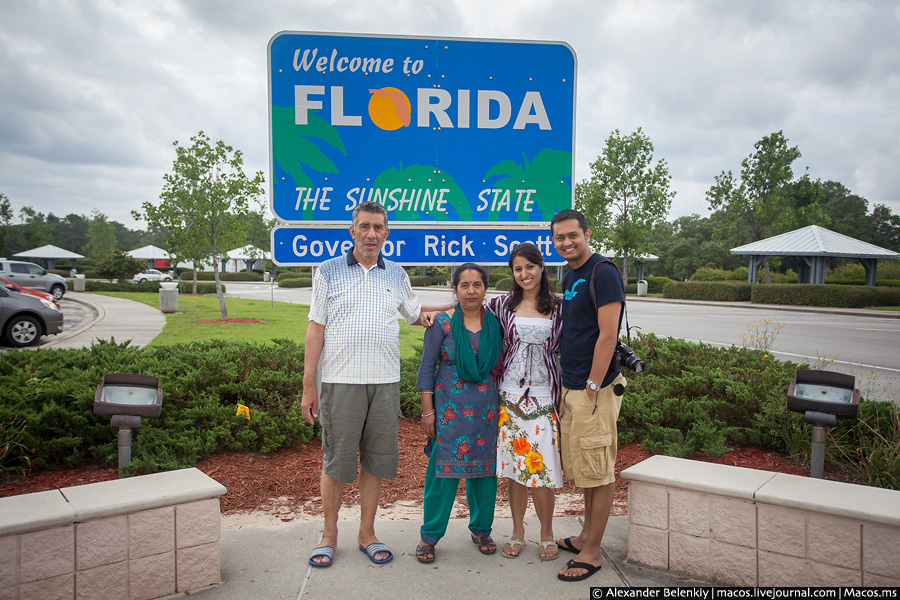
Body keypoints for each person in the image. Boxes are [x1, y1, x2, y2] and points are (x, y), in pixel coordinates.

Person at [301, 201, 445, 568]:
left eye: (378, 227)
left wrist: (462, 304)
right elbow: (315, 328)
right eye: (364, 226)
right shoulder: (328, 271)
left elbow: (416, 315)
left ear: (386, 232)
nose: (371, 234)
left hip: (385, 384)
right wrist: (308, 386)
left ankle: (367, 534)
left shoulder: (396, 274)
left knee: (376, 463)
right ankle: (329, 535)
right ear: (352, 231)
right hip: (339, 382)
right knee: (336, 462)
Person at [550, 209, 627, 583]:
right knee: (586, 468)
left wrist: (594, 388)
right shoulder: (571, 274)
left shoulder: (604, 272)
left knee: (599, 469)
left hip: (594, 388)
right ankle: (585, 536)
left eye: (572, 236)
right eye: (559, 238)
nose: (566, 242)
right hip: (573, 383)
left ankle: (593, 551)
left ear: (587, 233)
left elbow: (608, 336)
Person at [414, 263, 502, 564]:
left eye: (477, 284)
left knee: (484, 473)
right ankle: (430, 536)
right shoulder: (443, 323)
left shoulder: (495, 323)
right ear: (455, 290)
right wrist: (428, 413)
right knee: (442, 474)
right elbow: (427, 368)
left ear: (485, 289)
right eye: (464, 285)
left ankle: (481, 529)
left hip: (486, 411)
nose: (471, 291)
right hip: (449, 410)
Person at [487, 242, 563, 561]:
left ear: (541, 267)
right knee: (516, 469)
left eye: (529, 267)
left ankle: (547, 533)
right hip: (510, 396)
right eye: (517, 269)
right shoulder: (502, 305)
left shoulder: (559, 307)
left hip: (545, 397)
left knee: (542, 466)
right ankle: (517, 531)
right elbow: (467, 310)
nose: (524, 274)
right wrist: (431, 317)